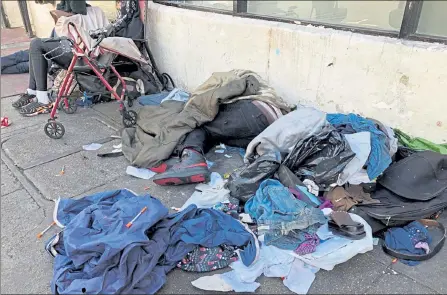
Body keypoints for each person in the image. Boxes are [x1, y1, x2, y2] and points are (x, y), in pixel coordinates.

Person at [150, 99, 283, 186]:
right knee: (213, 136)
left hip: (255, 112)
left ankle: (191, 160)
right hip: (267, 128)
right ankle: (190, 158)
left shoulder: (196, 104)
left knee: (199, 125)